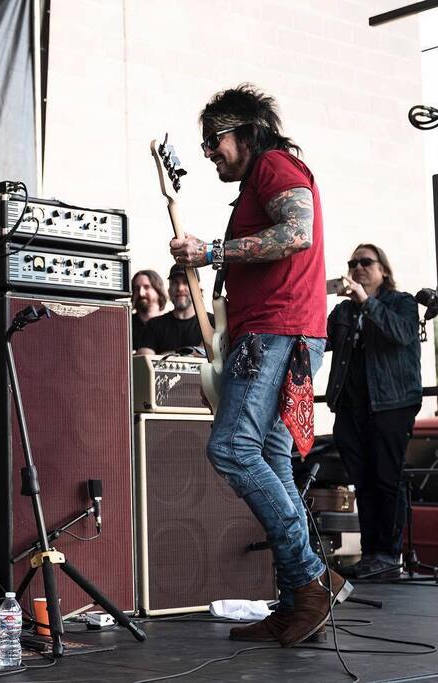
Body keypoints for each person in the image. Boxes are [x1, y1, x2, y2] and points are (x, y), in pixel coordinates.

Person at [169, 84, 350, 647]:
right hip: (277, 333)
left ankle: (311, 579)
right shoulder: (259, 180)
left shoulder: (274, 164)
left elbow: (297, 233)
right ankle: (299, 600)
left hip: (277, 332)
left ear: (246, 133)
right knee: (270, 455)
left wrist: (211, 252)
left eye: (213, 140)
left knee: (232, 448)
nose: (207, 153)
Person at [326, 244, 421, 581]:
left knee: (386, 479)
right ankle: (371, 555)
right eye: (352, 262)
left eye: (366, 262)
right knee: (362, 483)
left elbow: (402, 333)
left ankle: (388, 555)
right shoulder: (344, 311)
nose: (357, 267)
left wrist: (367, 301)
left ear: (383, 269)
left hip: (391, 404)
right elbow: (317, 338)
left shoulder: (402, 302)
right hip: (351, 408)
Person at [136, 264, 214, 355]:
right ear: (169, 290)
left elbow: (210, 354)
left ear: (198, 290)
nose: (180, 288)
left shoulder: (212, 322)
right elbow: (145, 358)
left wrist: (165, 355)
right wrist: (193, 352)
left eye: (186, 282)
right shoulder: (153, 325)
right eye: (175, 283)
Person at [131, 269, 167, 349]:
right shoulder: (126, 325)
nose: (141, 293)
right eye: (137, 288)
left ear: (158, 290)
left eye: (146, 287)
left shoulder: (169, 324)